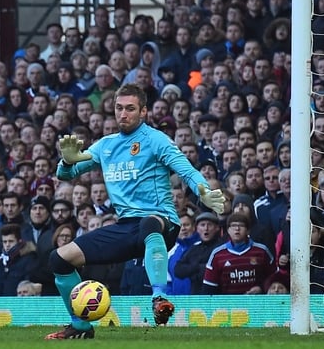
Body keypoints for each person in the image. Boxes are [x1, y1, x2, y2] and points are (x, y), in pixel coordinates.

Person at [44, 84, 225, 339]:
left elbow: (186, 169)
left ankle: (160, 298)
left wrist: (203, 190)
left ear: (143, 112)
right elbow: (65, 175)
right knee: (58, 259)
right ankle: (81, 326)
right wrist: (67, 160)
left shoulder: (156, 140)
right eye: (119, 108)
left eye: (130, 109)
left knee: (148, 224)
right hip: (126, 227)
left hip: (163, 223)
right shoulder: (105, 146)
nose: (123, 114)